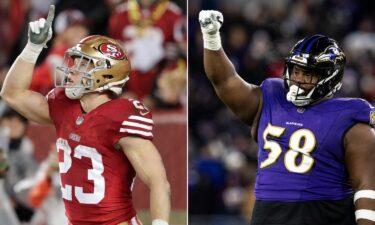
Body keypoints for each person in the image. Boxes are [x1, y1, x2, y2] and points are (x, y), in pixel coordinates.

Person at [198, 10, 375, 225]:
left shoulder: (351, 117)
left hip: (322, 215)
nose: (298, 79)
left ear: (330, 77)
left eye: (308, 73)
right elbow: (225, 81)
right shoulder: (272, 97)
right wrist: (211, 38)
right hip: (268, 216)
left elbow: (366, 187)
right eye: (295, 70)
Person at [1, 5, 171, 225]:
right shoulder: (64, 105)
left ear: (106, 73)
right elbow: (12, 93)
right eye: (74, 62)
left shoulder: (122, 116)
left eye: (83, 64)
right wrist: (33, 47)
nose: (71, 70)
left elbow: (158, 182)